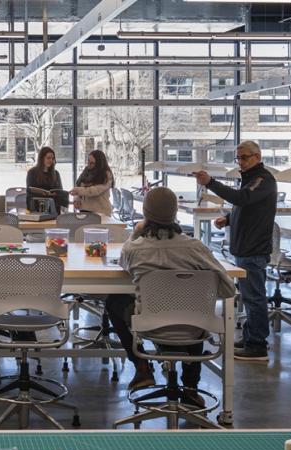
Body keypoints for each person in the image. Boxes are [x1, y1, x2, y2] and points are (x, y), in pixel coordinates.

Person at [105, 187, 236, 401]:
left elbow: (122, 263)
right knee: (194, 311)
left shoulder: (134, 249)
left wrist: (136, 232)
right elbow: (228, 289)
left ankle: (141, 365)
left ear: (146, 214)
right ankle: (191, 388)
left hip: (149, 323)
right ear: (175, 213)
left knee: (114, 301)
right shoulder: (196, 248)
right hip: (193, 327)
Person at [192, 141, 276, 361]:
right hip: (244, 247)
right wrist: (229, 219)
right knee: (249, 297)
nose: (241, 162)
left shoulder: (263, 179)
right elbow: (247, 207)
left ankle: (257, 345)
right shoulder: (250, 179)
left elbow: (242, 199)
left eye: (245, 157)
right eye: (238, 158)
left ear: (257, 157)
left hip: (253, 249)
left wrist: (210, 182)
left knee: (255, 298)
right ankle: (250, 337)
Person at [70, 149, 114, 216]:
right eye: (88, 162)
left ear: (99, 163)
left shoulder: (106, 174)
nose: (89, 165)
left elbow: (94, 190)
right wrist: (77, 199)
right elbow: (79, 185)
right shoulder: (86, 172)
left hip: (100, 212)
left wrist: (77, 190)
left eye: (92, 163)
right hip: (85, 210)